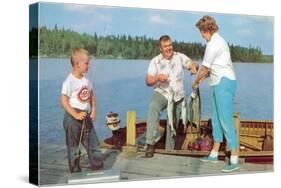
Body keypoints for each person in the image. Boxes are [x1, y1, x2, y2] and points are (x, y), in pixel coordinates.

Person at [192, 16, 239, 172]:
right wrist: (202, 79)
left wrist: (195, 81)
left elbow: (205, 68)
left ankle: (234, 158)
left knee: (225, 120)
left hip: (224, 83)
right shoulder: (218, 41)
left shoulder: (213, 44)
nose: (201, 36)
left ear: (207, 30)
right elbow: (211, 68)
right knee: (217, 120)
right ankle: (214, 153)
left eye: (201, 32)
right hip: (217, 82)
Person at [145, 35, 197, 158]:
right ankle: (150, 144)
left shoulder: (179, 56)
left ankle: (169, 150)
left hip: (177, 96)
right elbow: (148, 81)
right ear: (160, 48)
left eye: (170, 45)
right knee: (153, 106)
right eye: (165, 46)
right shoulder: (155, 61)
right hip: (162, 93)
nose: (168, 48)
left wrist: (193, 67)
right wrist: (158, 77)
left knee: (172, 123)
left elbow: (191, 63)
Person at [60, 48, 104, 173]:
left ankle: (98, 167)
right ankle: (75, 171)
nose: (88, 65)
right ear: (76, 64)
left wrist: (94, 110)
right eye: (86, 63)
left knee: (94, 144)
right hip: (72, 118)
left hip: (86, 116)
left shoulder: (87, 81)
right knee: (74, 147)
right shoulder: (69, 81)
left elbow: (91, 96)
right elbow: (63, 100)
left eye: (88, 63)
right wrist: (75, 114)